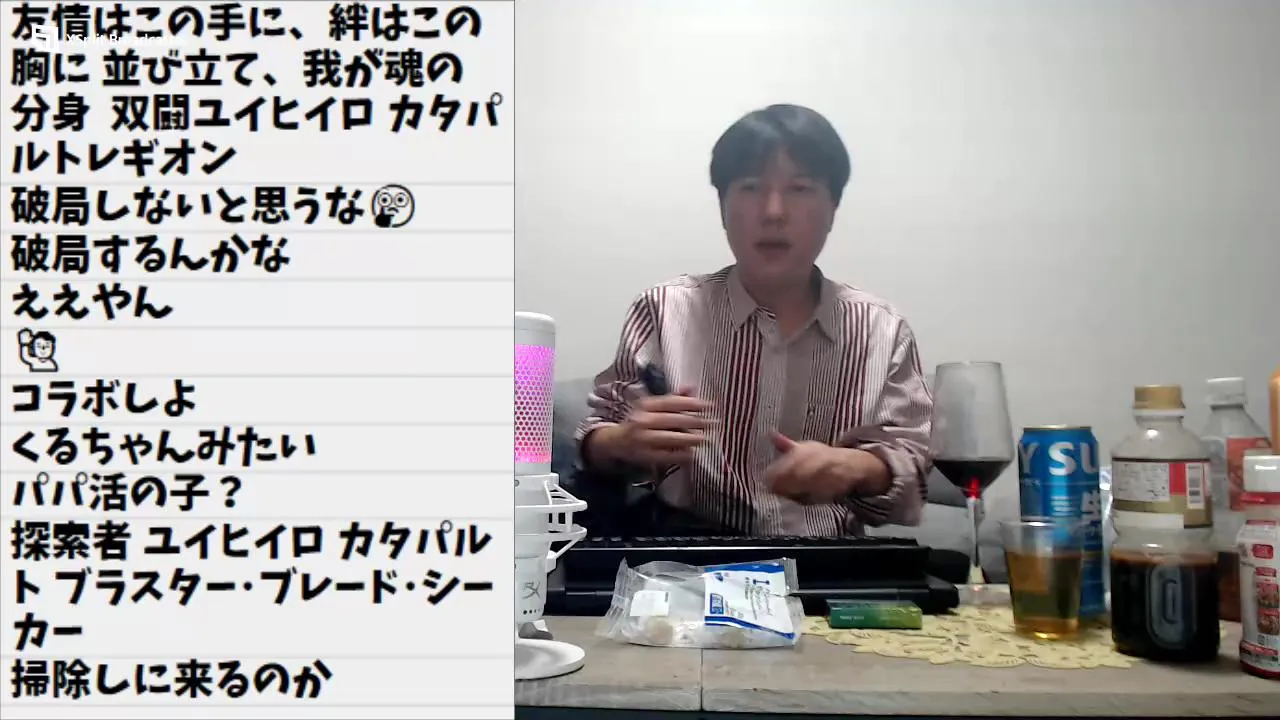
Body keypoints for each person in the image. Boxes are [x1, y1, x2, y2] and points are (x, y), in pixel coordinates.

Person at [576, 103, 933, 537]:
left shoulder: (882, 330)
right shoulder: (664, 309)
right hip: (687, 553)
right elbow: (597, 434)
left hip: (829, 559)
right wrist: (623, 441)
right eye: (750, 188)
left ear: (833, 207)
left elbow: (915, 463)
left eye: (800, 189)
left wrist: (860, 467)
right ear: (722, 207)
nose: (774, 211)